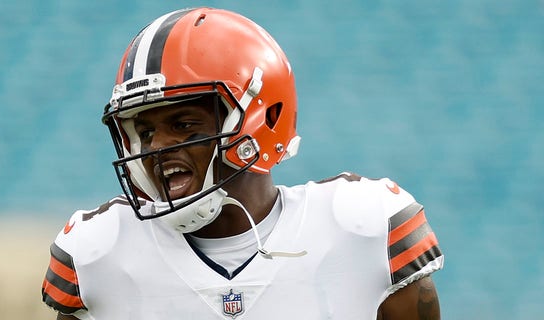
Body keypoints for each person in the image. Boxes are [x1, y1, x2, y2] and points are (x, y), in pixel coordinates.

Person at [41, 7, 444, 320]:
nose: (157, 148)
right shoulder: (100, 253)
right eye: (145, 133)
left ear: (261, 119)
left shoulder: (364, 227)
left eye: (183, 125)